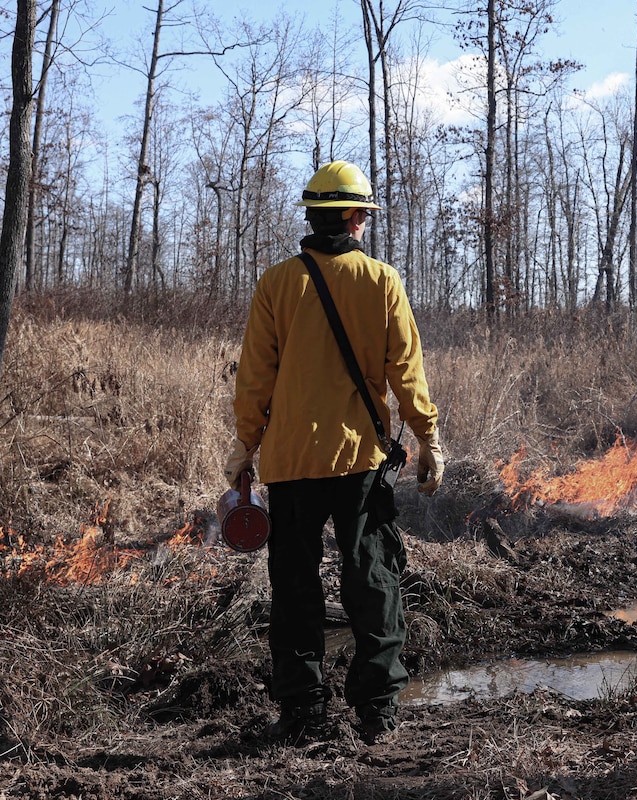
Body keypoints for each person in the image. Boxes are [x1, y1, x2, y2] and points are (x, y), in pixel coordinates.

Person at [223, 160, 444, 745]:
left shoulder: (276, 283)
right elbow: (407, 373)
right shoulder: (381, 281)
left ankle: (304, 714)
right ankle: (377, 712)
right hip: (360, 465)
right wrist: (427, 438)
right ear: (350, 217)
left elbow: (255, 378)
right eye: (364, 215)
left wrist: (246, 446)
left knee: (295, 589)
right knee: (372, 582)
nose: (366, 225)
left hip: (290, 464)